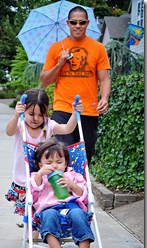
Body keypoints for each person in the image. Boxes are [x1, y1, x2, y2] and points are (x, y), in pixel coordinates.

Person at [5, 87, 83, 248]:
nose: (36, 119)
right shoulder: (20, 124)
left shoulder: (49, 125)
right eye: (31, 114)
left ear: (46, 113)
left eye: (40, 115)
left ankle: (35, 239)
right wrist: (15, 115)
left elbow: (67, 129)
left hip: (47, 180)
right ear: (24, 110)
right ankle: (32, 241)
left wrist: (74, 114)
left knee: (41, 208)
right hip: (24, 177)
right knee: (29, 210)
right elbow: (9, 131)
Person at [40, 6, 111, 165]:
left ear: (87, 23)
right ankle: (63, 189)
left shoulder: (98, 48)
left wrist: (105, 98)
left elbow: (104, 78)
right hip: (63, 109)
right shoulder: (57, 48)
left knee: (84, 158)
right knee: (62, 155)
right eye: (74, 22)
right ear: (68, 23)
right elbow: (45, 81)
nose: (77, 25)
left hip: (88, 110)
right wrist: (59, 63)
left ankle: (81, 188)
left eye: (81, 22)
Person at [30, 138, 94, 248]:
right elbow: (33, 194)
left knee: (79, 214)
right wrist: (39, 175)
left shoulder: (73, 175)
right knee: (48, 216)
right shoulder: (37, 177)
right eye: (49, 162)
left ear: (65, 164)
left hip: (70, 206)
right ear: (41, 165)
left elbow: (83, 195)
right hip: (48, 208)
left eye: (59, 162)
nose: (54, 166)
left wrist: (72, 185)